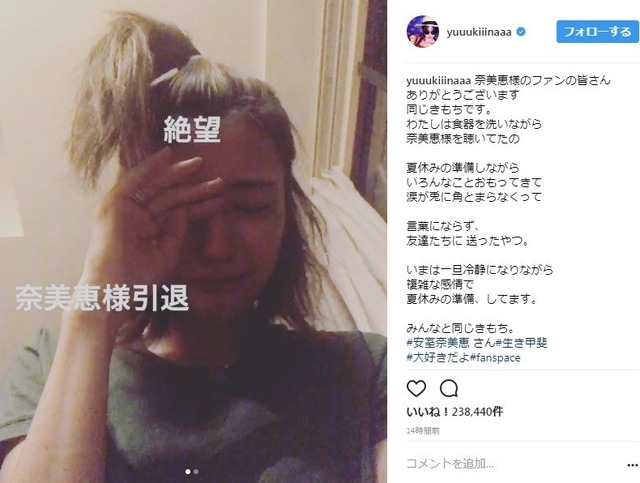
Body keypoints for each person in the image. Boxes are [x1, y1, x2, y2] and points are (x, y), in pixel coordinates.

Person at [0, 12, 386, 482]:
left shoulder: (362, 372)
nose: (218, 248)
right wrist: (95, 306)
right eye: (188, 209)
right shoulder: (55, 364)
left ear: (287, 213)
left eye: (250, 206)